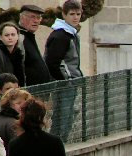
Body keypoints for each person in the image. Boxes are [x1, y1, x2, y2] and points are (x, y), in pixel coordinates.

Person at [44, 0, 84, 141]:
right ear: (64, 15)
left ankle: (60, 141)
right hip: (65, 83)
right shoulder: (61, 36)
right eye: (72, 14)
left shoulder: (69, 34)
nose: (75, 17)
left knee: (67, 115)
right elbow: (53, 63)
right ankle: (59, 142)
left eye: (78, 14)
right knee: (63, 116)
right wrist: (65, 80)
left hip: (69, 81)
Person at [18, 5, 52, 86]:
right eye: (32, 17)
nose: (36, 21)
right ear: (22, 18)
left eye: (38, 17)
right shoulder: (19, 38)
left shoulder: (29, 36)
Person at [0, 22, 26, 87]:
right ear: (1, 37)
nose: (10, 37)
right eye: (7, 35)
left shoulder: (18, 53)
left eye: (13, 35)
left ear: (17, 37)